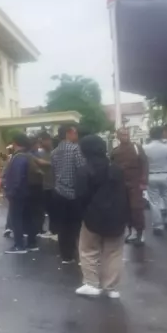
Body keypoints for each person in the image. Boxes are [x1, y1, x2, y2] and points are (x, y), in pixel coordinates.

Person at [74, 134, 129, 298]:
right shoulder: (116, 168)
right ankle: (110, 288)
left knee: (88, 250)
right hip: (118, 216)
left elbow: (81, 196)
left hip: (93, 216)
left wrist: (83, 213)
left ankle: (91, 284)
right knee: (113, 252)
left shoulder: (84, 170)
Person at [51, 123, 86, 264]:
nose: (76, 136)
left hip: (59, 192)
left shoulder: (54, 152)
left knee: (63, 226)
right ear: (68, 133)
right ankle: (77, 253)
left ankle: (66, 256)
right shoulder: (75, 149)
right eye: (75, 133)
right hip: (73, 193)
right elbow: (81, 170)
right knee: (76, 226)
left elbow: (54, 172)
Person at [2, 133, 41, 254]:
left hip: (18, 193)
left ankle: (19, 245)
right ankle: (31, 242)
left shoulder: (18, 157)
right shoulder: (27, 156)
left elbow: (17, 177)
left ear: (15, 143)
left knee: (16, 218)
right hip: (28, 191)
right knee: (28, 217)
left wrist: (10, 192)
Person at [110, 128, 148, 245]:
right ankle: (131, 232)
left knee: (136, 208)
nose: (125, 136)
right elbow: (111, 167)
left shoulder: (137, 148)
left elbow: (144, 164)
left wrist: (144, 180)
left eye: (126, 134)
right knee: (125, 209)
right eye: (122, 134)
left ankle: (140, 233)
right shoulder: (115, 151)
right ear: (118, 137)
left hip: (135, 183)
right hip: (121, 184)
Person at [143, 126, 167, 235]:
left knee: (154, 202)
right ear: (161, 134)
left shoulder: (145, 148)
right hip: (166, 175)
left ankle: (158, 225)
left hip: (151, 176)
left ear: (150, 135)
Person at [35, 132, 57, 239]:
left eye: (49, 140)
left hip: (52, 185)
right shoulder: (39, 153)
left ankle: (53, 230)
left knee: (52, 209)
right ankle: (42, 229)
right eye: (46, 140)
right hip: (43, 185)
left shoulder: (54, 152)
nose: (48, 142)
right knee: (43, 209)